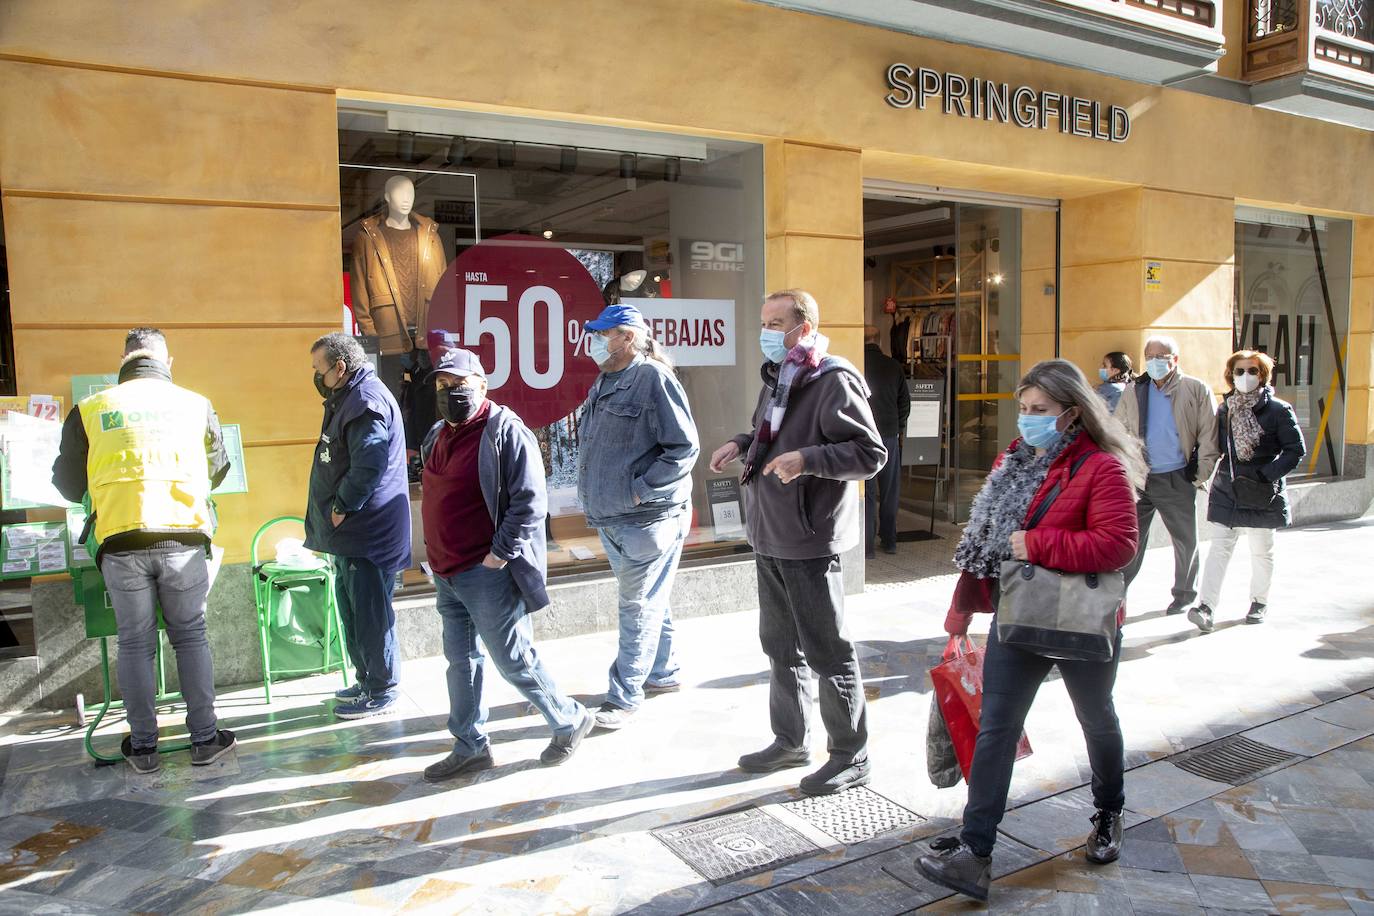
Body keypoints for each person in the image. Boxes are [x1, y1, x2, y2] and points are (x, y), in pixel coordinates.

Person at [917, 359, 1144, 902]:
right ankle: (976, 852)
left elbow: (1118, 545)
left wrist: (1038, 544)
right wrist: (961, 614)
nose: (1027, 420)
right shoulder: (1011, 463)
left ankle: (1109, 813)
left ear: (1072, 413)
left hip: (1080, 620)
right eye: (1022, 409)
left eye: (1040, 411)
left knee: (1096, 718)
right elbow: (984, 546)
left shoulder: (1102, 468)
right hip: (1017, 615)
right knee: (995, 727)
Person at [708, 289, 886, 796]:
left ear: (804, 327)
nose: (766, 332)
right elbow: (769, 436)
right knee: (780, 647)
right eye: (763, 322)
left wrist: (808, 460)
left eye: (777, 322)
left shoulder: (833, 380)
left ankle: (852, 755)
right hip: (769, 533)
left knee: (827, 651)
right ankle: (790, 739)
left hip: (808, 539)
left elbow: (869, 454)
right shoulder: (781, 377)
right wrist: (741, 444)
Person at [52, 327, 235, 773]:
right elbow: (219, 469)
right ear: (167, 362)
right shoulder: (196, 404)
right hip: (185, 539)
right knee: (190, 636)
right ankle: (205, 740)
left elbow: (67, 482)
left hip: (120, 540)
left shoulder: (91, 409)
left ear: (124, 359)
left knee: (134, 643)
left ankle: (145, 747)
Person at [418, 348, 593, 780]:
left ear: (481, 383)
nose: (449, 392)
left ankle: (569, 719)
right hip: (447, 572)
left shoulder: (505, 432)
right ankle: (470, 745)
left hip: (486, 571)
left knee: (513, 658)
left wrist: (499, 554)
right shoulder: (438, 434)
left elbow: (530, 503)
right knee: (461, 662)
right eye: (442, 385)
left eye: (458, 384)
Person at [576, 303, 700, 730]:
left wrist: (639, 489)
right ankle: (662, 673)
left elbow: (684, 448)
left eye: (602, 334)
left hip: (648, 518)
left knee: (636, 604)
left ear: (627, 337)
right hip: (613, 518)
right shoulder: (607, 378)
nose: (594, 341)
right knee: (649, 599)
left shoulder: (653, 378)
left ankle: (625, 694)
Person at [304, 333, 411, 719]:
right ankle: (367, 678)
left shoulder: (364, 400)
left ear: (340, 367)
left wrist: (342, 505)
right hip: (350, 532)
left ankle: (382, 687)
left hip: (365, 530)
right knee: (354, 608)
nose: (317, 376)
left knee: (369, 612)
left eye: (320, 370)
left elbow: (369, 462)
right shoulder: (348, 396)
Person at [1187, 350, 1305, 633]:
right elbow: (1212, 445)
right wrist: (1198, 469)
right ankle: (1206, 607)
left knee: (1261, 550)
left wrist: (1267, 475)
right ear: (1231, 376)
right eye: (1239, 372)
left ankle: (1259, 601)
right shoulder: (1225, 409)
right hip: (1228, 487)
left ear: (1262, 375)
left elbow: (1295, 450)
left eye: (1252, 371)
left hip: (1262, 490)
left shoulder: (1278, 410)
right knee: (1219, 549)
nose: (1245, 377)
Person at [1114, 335, 1219, 615]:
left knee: (1185, 540)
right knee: (1130, 537)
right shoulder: (1135, 389)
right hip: (1139, 478)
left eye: (1160, 356)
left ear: (1175, 359)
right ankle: (1117, 592)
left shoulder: (1195, 389)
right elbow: (1119, 428)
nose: (1154, 361)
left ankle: (1184, 593)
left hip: (1177, 476)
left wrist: (1199, 475)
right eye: (1149, 356)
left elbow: (1210, 435)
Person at [862, 324, 910, 558]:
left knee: (868, 491)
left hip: (864, 436)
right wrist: (898, 427)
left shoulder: (856, 364)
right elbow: (905, 403)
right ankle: (889, 540)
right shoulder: (893, 366)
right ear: (879, 340)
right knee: (890, 490)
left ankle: (867, 547)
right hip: (889, 435)